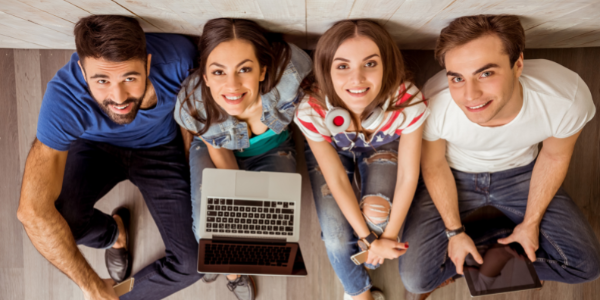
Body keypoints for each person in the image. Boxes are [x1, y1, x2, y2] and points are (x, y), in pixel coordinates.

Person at [398, 14, 600, 299]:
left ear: (518, 64)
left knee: (586, 266)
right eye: (457, 78)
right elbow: (433, 163)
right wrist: (454, 233)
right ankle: (486, 242)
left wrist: (531, 223)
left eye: (486, 73)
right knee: (417, 280)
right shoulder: (433, 102)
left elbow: (554, 157)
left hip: (521, 175)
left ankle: (494, 243)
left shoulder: (566, 97)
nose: (470, 95)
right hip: (454, 176)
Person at [16, 15, 202, 300]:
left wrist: (193, 174)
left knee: (192, 264)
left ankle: (120, 296)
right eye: (101, 80)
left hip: (160, 150)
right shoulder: (64, 98)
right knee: (64, 224)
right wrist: (91, 286)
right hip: (95, 148)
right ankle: (114, 234)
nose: (118, 98)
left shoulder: (180, 61)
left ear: (148, 64)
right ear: (82, 70)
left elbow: (192, 116)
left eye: (130, 77)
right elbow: (31, 211)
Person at [174, 18, 312, 300]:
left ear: (262, 70)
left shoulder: (292, 73)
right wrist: (232, 212)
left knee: (273, 232)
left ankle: (225, 260)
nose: (232, 85)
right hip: (216, 150)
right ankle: (232, 271)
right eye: (218, 72)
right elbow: (219, 149)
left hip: (273, 148)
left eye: (244, 69)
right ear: (206, 76)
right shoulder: (193, 104)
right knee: (207, 230)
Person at [294, 20, 429, 300]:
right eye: (343, 66)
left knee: (378, 215)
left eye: (370, 64)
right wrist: (366, 238)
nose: (357, 80)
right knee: (335, 236)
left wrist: (387, 238)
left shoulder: (408, 102)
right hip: (333, 148)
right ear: (327, 70)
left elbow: (407, 175)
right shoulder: (311, 110)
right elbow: (336, 180)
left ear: (386, 66)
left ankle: (370, 261)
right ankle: (358, 293)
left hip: (383, 143)